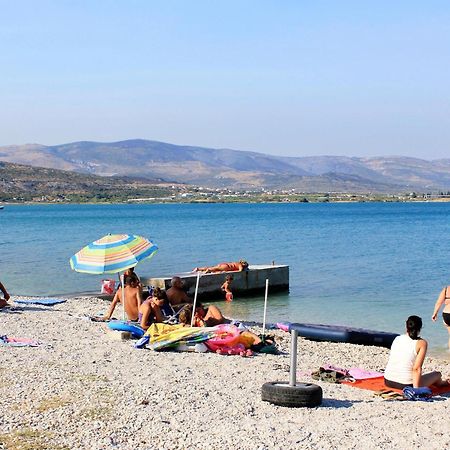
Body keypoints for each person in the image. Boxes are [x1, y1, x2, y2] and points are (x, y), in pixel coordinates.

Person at [384, 315, 449, 389]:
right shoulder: (421, 343)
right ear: (420, 328)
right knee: (437, 374)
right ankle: (442, 383)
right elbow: (416, 369)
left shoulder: (397, 338)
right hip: (405, 385)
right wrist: (416, 389)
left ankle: (440, 383)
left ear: (406, 326)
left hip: (388, 381)